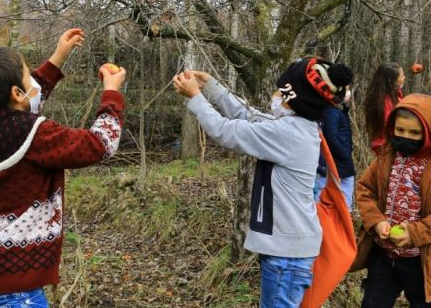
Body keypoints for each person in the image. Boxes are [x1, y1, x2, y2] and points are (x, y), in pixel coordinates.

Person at [0, 28, 126, 308]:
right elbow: (101, 143)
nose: (33, 79)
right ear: (15, 92)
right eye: (27, 75)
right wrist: (111, 92)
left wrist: (59, 56)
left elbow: (24, 101)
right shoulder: (37, 135)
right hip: (14, 289)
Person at [173, 57, 353, 308]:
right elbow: (249, 115)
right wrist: (212, 87)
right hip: (288, 252)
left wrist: (196, 98)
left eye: (279, 89)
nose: (274, 93)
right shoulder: (297, 126)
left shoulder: (287, 133)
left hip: (287, 256)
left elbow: (225, 130)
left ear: (291, 97)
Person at [350, 93, 431, 307]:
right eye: (400, 130)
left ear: (428, 133)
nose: (406, 137)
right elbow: (365, 190)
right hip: (383, 254)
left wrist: (414, 233)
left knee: (424, 303)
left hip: (422, 259)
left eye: (414, 133)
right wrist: (376, 221)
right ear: (391, 128)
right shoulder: (384, 160)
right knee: (373, 302)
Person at [314, 84, 356, 210]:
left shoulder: (337, 111)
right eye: (346, 89)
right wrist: (345, 156)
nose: (348, 92)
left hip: (339, 165)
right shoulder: (332, 112)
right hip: (336, 165)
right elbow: (331, 138)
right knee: (331, 202)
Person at [364, 62, 405, 154]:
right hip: (387, 146)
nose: (404, 78)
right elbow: (391, 124)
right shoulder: (385, 100)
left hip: (388, 145)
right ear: (392, 80)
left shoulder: (391, 95)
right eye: (401, 76)